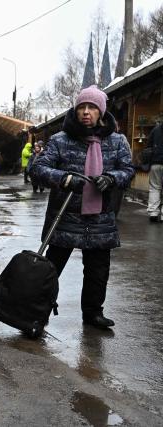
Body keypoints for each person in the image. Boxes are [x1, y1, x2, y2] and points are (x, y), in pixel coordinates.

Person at [32, 85, 135, 329]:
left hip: (100, 218)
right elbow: (37, 168)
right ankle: (36, 311)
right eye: (81, 107)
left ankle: (93, 314)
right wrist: (65, 178)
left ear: (101, 111)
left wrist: (112, 178)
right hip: (66, 215)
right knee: (51, 269)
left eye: (92, 107)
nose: (86, 112)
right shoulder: (60, 140)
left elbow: (128, 170)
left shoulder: (118, 141)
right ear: (76, 110)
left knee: (98, 271)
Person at [144, 120, 163, 222]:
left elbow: (148, 147)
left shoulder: (155, 130)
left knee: (155, 188)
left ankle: (153, 213)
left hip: (155, 163)